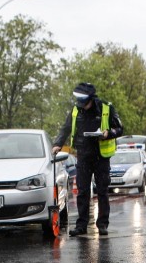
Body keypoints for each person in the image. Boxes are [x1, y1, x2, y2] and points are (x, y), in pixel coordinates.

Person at [52, 83, 124, 236]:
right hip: (83, 155)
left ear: (91, 99)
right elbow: (65, 128)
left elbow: (119, 128)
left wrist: (108, 133)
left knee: (102, 191)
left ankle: (102, 224)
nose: (81, 106)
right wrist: (58, 144)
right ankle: (81, 225)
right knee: (83, 191)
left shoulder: (106, 108)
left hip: (101, 156)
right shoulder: (75, 110)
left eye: (84, 103)